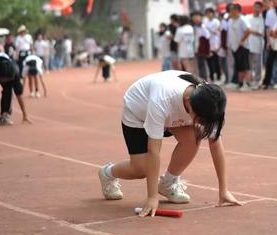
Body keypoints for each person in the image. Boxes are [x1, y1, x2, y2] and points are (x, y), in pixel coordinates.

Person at [97, 71, 242, 216]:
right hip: (138, 112)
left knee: (193, 138)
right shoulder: (162, 100)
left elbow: (215, 143)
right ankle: (107, 172)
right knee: (141, 169)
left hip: (172, 114)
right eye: (199, 119)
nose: (201, 124)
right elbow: (153, 151)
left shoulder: (211, 102)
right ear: (188, 101)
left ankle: (168, 183)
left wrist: (224, 190)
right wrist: (152, 198)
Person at [261, 0, 277, 89]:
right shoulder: (269, 12)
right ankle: (272, 81)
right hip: (272, 39)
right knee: (270, 62)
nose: (274, 1)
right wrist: (268, 41)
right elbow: (268, 28)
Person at [227, 4, 252, 91]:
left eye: (232, 10)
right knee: (239, 66)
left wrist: (242, 40)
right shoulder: (230, 20)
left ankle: (248, 84)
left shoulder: (243, 19)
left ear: (237, 11)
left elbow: (248, 30)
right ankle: (240, 84)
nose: (230, 12)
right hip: (234, 47)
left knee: (245, 66)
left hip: (243, 46)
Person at [247, 1, 265, 89]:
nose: (256, 9)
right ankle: (250, 80)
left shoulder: (261, 19)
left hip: (257, 44)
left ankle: (257, 80)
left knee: (257, 64)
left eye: (259, 7)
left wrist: (250, 31)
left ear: (261, 9)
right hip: (248, 44)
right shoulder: (248, 17)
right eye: (255, 7)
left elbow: (260, 32)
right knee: (249, 64)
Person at [192, 11, 210, 80]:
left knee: (202, 64)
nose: (195, 18)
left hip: (202, 49)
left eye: (196, 17)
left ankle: (204, 78)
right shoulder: (195, 26)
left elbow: (207, 37)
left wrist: (205, 49)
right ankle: (202, 78)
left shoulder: (203, 26)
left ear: (201, 18)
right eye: (194, 17)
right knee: (199, 64)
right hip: (197, 48)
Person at [204, 8, 221, 82]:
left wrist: (207, 28)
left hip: (215, 43)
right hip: (208, 44)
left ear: (213, 13)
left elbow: (215, 31)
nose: (208, 14)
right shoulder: (206, 22)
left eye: (210, 13)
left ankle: (218, 76)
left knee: (216, 61)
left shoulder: (216, 21)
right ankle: (211, 76)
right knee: (209, 61)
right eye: (207, 13)